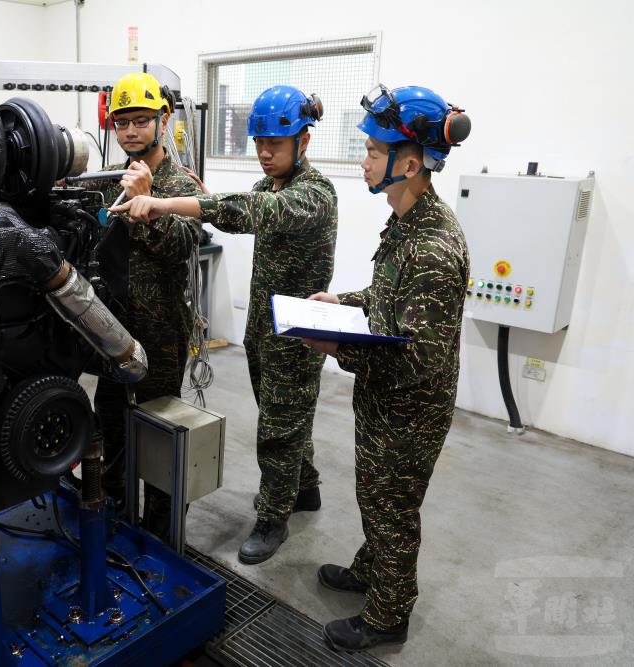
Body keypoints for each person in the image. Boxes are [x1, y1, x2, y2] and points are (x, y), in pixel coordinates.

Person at [110, 85, 338, 564]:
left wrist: (168, 202)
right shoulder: (268, 186)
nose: (265, 153)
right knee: (291, 416)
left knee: (278, 427)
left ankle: (274, 518)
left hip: (298, 334)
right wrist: (206, 198)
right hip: (264, 325)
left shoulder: (314, 194)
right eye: (258, 143)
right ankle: (307, 487)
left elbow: (253, 213)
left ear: (305, 141)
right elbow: (240, 214)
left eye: (275, 143)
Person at [302, 84, 472, 651]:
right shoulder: (406, 222)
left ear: (411, 162)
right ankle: (371, 571)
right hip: (385, 405)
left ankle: (387, 616)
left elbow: (420, 355)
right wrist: (342, 306)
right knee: (377, 498)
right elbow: (386, 298)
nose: (365, 160)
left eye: (374, 151)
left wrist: (335, 347)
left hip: (409, 412)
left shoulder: (434, 247)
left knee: (393, 509)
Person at [81, 72, 202, 538]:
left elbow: (183, 243)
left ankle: (159, 531)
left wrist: (148, 200)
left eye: (141, 121)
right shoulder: (112, 181)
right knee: (109, 428)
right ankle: (110, 513)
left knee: (158, 435)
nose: (130, 132)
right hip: (114, 334)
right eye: (122, 123)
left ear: (163, 120)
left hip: (160, 337)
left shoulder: (178, 183)